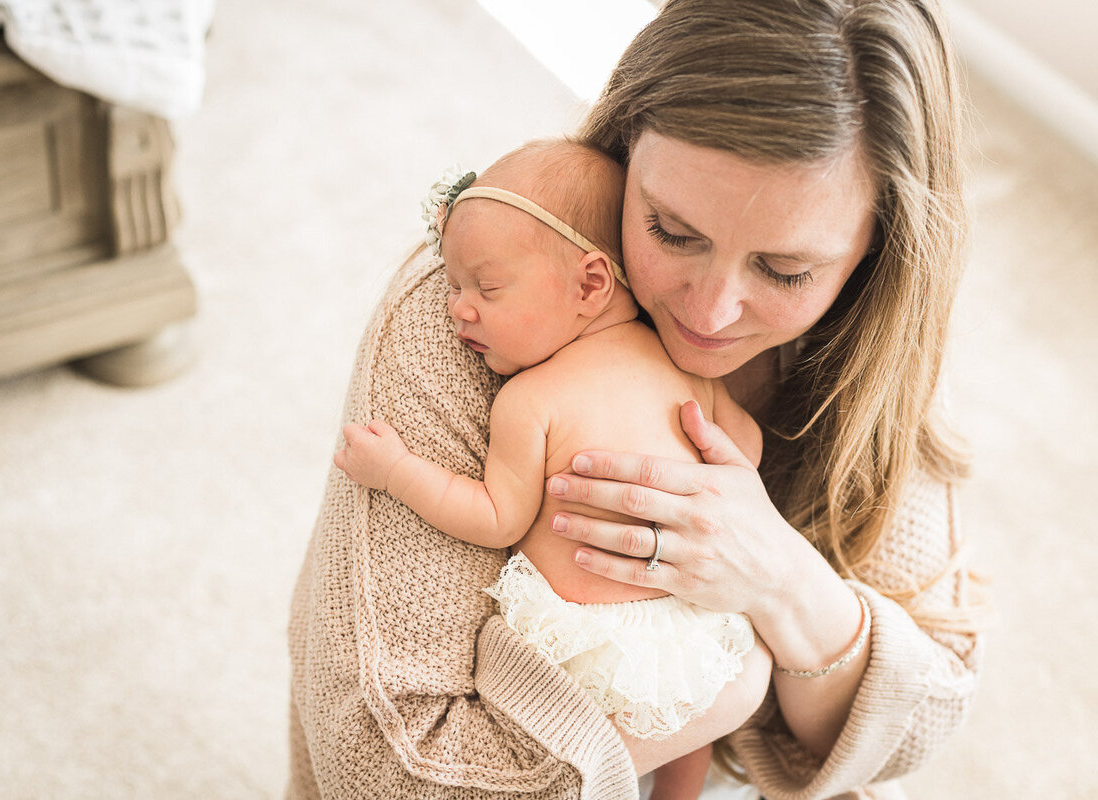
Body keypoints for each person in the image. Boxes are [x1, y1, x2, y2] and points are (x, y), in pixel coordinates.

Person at [287, 0, 985, 797]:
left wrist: (778, 578)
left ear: (875, 252)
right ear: (628, 137)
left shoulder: (878, 365)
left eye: (785, 271)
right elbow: (386, 768)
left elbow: (925, 712)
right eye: (671, 230)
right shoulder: (476, 313)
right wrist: (722, 696)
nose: (709, 312)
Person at [333, 138, 771, 800]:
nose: (458, 309)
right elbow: (745, 447)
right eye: (453, 287)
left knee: (574, 765)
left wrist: (397, 471)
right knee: (691, 729)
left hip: (581, 652)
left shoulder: (530, 399)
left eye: (487, 287)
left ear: (591, 284)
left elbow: (491, 515)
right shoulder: (678, 367)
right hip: (686, 626)